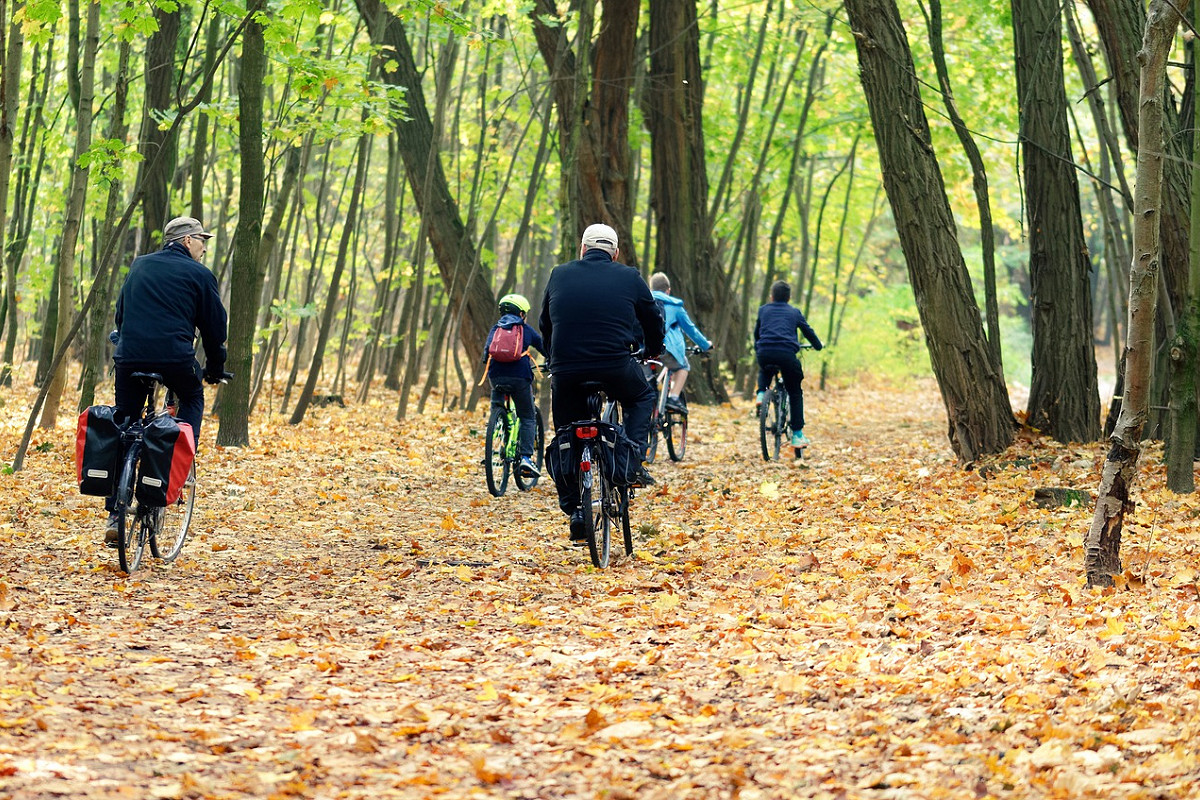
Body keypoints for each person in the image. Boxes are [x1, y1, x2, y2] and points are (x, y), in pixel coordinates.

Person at [105, 216, 228, 542]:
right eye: (203, 239)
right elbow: (215, 330)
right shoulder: (200, 275)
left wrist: (125, 343)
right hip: (175, 359)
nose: (204, 247)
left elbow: (121, 313)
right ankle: (180, 461)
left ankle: (115, 513)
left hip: (129, 356)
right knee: (192, 396)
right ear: (188, 241)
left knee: (125, 422)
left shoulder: (140, 265)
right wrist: (215, 367)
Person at [539, 223, 665, 542]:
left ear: (582, 249)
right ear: (615, 253)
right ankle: (629, 460)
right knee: (641, 398)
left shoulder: (559, 274)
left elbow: (545, 323)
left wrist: (555, 358)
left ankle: (577, 509)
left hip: (566, 369)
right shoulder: (629, 276)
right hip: (615, 366)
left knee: (568, 432)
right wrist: (653, 348)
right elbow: (652, 319)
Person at [482, 293, 545, 478]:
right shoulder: (526, 330)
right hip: (520, 377)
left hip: (496, 377)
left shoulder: (496, 329)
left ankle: (494, 436)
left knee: (497, 407)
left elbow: (486, 353)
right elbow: (543, 347)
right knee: (527, 416)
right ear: (521, 313)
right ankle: (526, 458)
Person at [754, 280, 823, 448]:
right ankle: (797, 434)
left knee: (765, 367)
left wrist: (759, 346)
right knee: (795, 391)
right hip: (786, 354)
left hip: (765, 351)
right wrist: (818, 345)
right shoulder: (794, 312)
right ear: (789, 297)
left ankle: (761, 394)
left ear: (771, 296)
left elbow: (757, 333)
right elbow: (808, 332)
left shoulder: (763, 310)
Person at [648, 272, 712, 412]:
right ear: (668, 290)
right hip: (666, 349)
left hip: (643, 349)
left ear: (650, 289)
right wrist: (705, 345)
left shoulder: (643, 302)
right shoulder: (675, 307)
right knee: (683, 366)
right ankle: (674, 398)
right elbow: (691, 330)